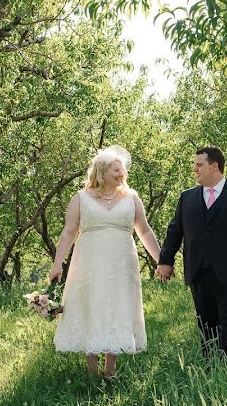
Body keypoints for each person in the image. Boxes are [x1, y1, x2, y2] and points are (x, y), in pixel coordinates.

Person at [48, 145, 161, 379]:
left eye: (122, 171)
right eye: (116, 170)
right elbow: (68, 232)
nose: (121, 174)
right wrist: (57, 264)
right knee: (91, 304)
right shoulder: (80, 198)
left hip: (121, 264)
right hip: (88, 261)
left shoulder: (131, 198)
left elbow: (145, 232)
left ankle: (110, 370)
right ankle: (91, 370)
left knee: (117, 306)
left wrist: (162, 261)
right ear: (101, 171)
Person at [157, 146, 227, 368]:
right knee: (206, 325)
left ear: (214, 166)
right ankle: (212, 370)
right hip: (199, 272)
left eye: (199, 165)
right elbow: (175, 231)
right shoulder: (187, 198)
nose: (194, 170)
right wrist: (165, 261)